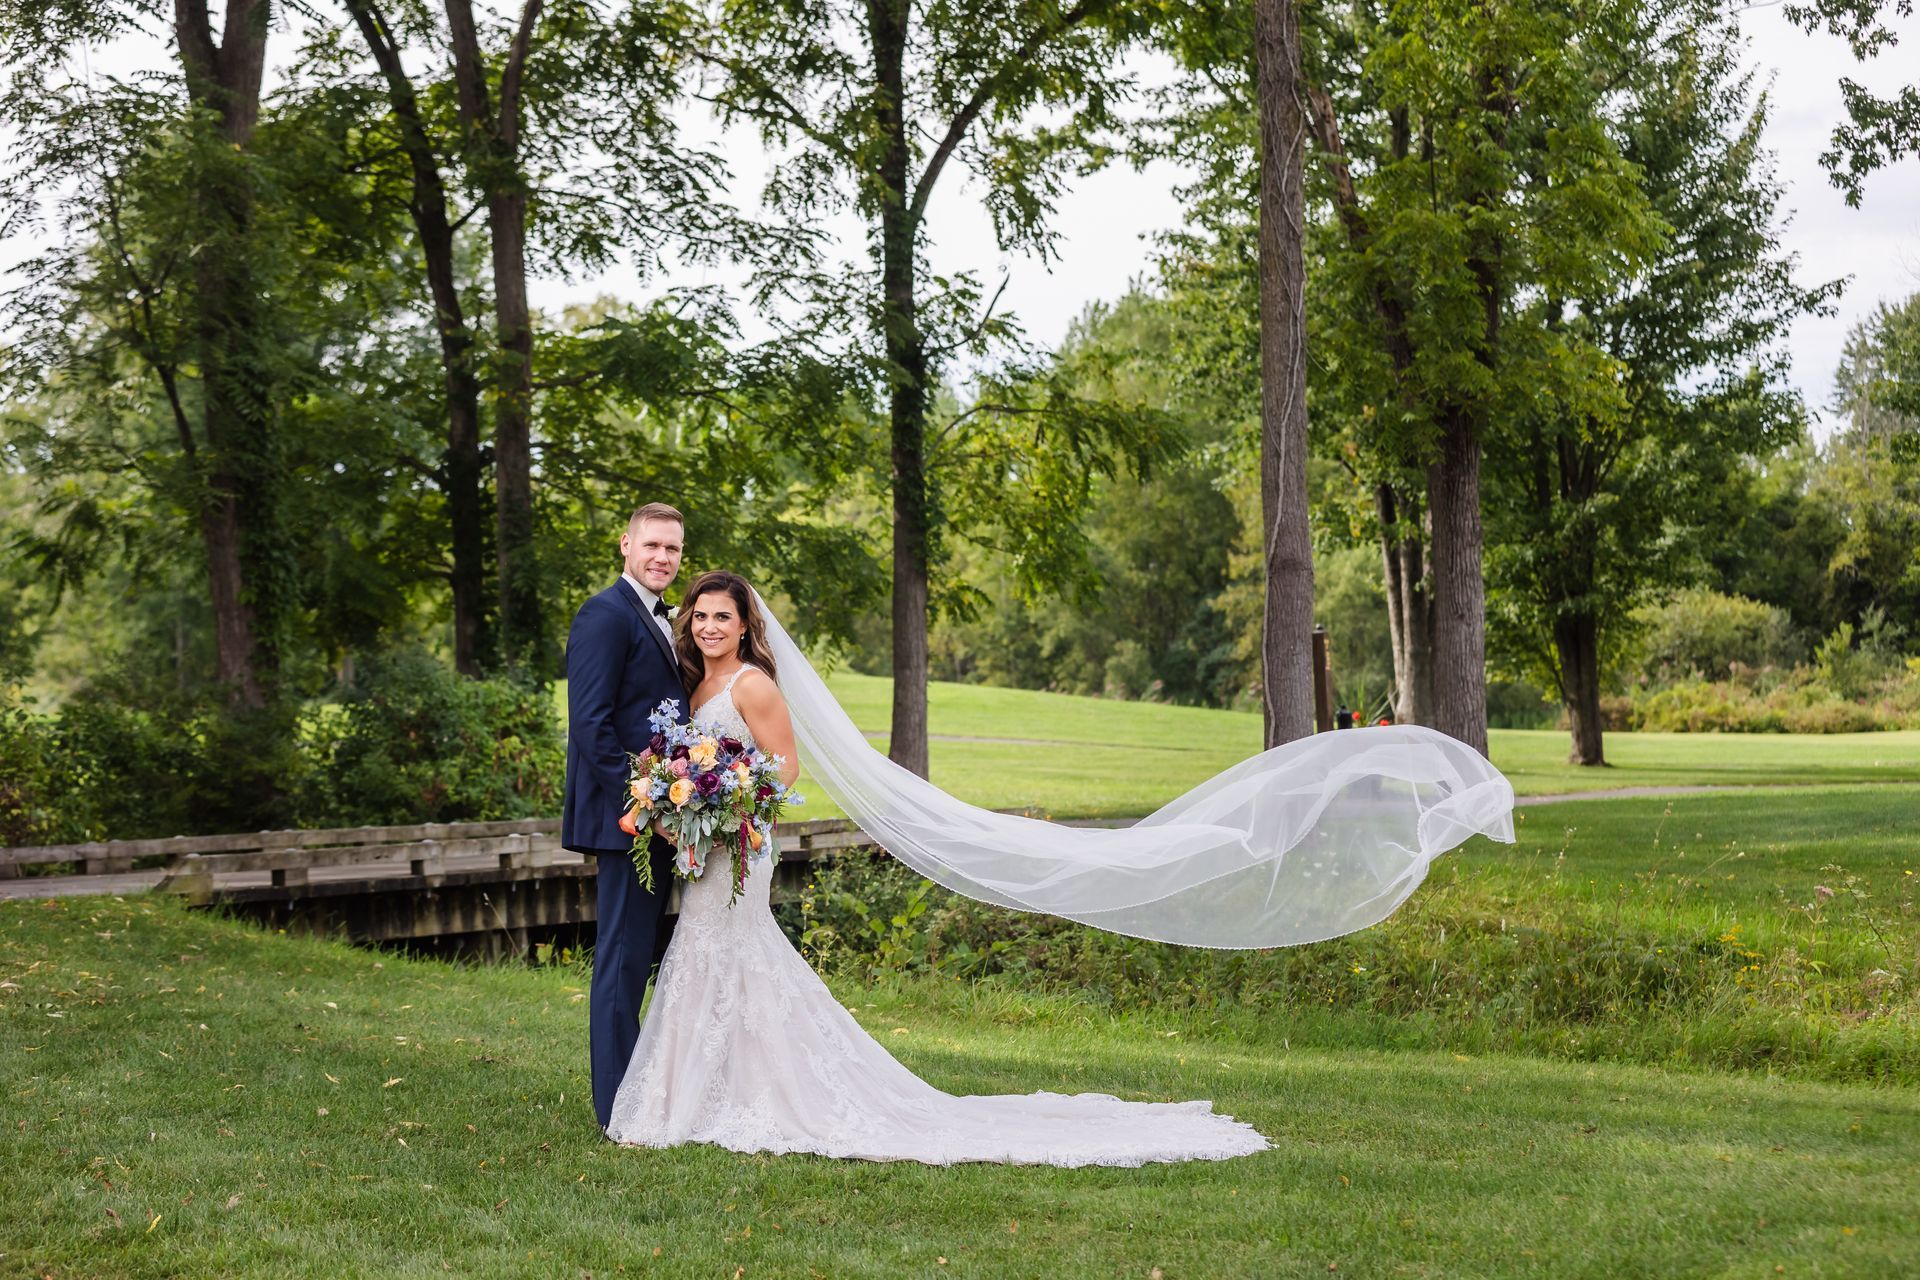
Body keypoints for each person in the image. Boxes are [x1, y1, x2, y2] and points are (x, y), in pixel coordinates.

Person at [601, 571, 1269, 1165]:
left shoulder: (754, 685)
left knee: (722, 951)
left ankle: (707, 1101)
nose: (711, 626)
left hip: (740, 847)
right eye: (702, 615)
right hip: (708, 848)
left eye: (724, 616)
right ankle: (706, 1095)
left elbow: (784, 769)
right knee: (706, 954)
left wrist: (727, 805)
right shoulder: (695, 682)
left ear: (746, 625)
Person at [560, 502, 687, 1133]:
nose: (663, 558)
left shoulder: (663, 619)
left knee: (638, 954)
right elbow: (589, 723)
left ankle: (640, 1089)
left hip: (662, 813)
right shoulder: (605, 614)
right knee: (621, 958)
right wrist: (646, 803)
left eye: (673, 549)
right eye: (653, 546)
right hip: (630, 820)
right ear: (626, 546)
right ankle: (617, 1108)